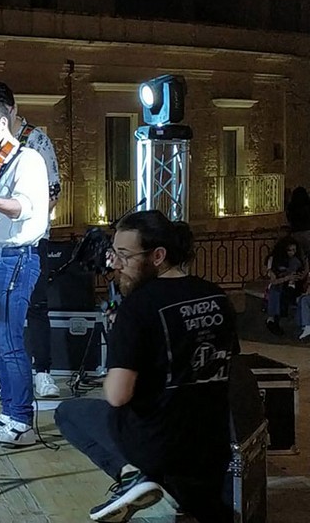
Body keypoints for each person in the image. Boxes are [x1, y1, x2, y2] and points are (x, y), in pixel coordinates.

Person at [54, 210, 237, 522]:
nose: (116, 265)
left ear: (158, 256)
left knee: (68, 413)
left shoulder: (138, 307)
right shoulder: (218, 296)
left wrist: (120, 342)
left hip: (160, 445)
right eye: (114, 254)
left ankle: (132, 474)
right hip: (213, 442)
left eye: (125, 256)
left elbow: (117, 395)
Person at [0, 82, 62, 398]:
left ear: (7, 116)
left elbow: (32, 203)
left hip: (21, 251)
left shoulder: (31, 150)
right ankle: (8, 396)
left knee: (22, 325)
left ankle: (36, 382)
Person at [264, 236, 306, 335]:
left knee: (285, 294)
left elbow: (301, 274)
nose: (292, 253)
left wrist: (299, 276)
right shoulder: (274, 260)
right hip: (279, 285)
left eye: (294, 250)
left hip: (293, 287)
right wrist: (287, 278)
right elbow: (274, 281)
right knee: (276, 292)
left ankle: (275, 319)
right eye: (289, 250)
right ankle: (273, 319)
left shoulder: (296, 261)